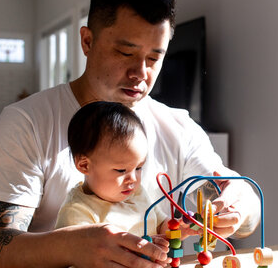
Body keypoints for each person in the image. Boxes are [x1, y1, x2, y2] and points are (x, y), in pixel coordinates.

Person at [0, 0, 261, 268]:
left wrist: (242, 203)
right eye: (125, 52)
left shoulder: (179, 129)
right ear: (87, 41)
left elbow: (241, 213)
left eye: (154, 58)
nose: (140, 72)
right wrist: (72, 246)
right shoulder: (26, 124)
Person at [55, 100, 195, 248]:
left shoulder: (138, 194)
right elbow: (87, 259)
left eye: (139, 167)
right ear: (84, 165)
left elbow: (161, 225)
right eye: (121, 170)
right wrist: (141, 247)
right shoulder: (77, 212)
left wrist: (177, 229)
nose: (133, 179)